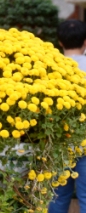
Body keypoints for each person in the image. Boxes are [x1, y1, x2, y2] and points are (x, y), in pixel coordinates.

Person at [49, 19, 86, 213]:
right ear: (85, 42)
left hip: (57, 144)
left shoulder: (50, 68)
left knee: (57, 197)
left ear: (59, 42)